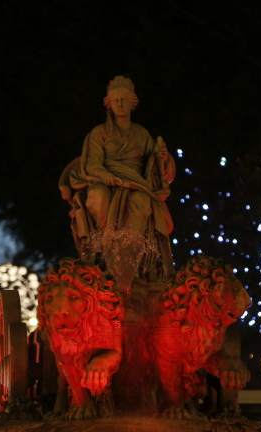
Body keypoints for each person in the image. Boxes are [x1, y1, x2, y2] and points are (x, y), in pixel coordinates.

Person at [59, 76, 175, 288]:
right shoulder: (98, 133)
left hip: (136, 184)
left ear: (132, 102)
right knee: (98, 195)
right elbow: (92, 165)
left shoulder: (142, 134)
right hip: (106, 181)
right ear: (109, 104)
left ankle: (131, 251)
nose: (120, 103)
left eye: (124, 99)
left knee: (141, 201)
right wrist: (109, 177)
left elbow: (156, 168)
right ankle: (105, 244)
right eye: (116, 100)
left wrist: (163, 157)